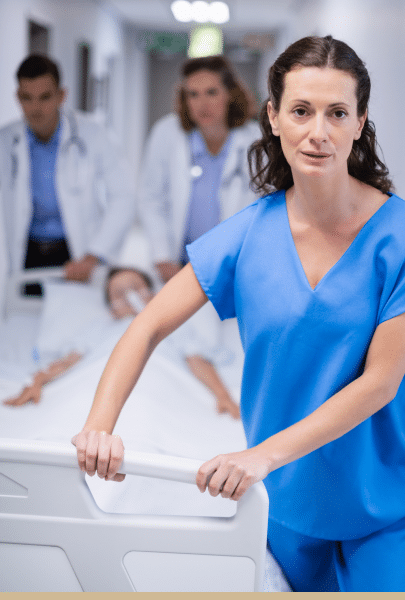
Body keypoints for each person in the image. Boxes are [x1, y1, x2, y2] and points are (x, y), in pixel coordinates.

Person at [71, 35, 405, 592]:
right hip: (286, 504)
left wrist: (260, 456)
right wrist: (98, 429)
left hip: (382, 500)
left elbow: (380, 382)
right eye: (301, 111)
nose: (317, 132)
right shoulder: (248, 234)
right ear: (274, 117)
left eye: (337, 113)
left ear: (360, 121)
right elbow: (148, 323)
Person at [3, 266, 240, 419]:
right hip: (99, 378)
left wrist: (223, 396)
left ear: (153, 295)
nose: (129, 297)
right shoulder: (100, 329)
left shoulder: (171, 324)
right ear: (111, 310)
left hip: (159, 378)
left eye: (135, 289)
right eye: (119, 293)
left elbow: (197, 360)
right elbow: (67, 361)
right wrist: (37, 382)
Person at [0, 55, 135, 283]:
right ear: (17, 97)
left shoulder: (94, 134)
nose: (35, 108)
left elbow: (124, 197)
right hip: (25, 250)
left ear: (62, 96)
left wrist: (94, 254)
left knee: (77, 316)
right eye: (26, 98)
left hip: (78, 252)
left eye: (44, 97)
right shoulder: (6, 140)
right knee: (23, 316)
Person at [138, 55, 260, 283]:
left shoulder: (255, 139)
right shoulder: (166, 133)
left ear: (230, 95)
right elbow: (151, 198)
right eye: (193, 94)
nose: (202, 103)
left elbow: (267, 206)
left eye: (212, 92)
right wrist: (162, 255)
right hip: (180, 265)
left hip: (236, 267)